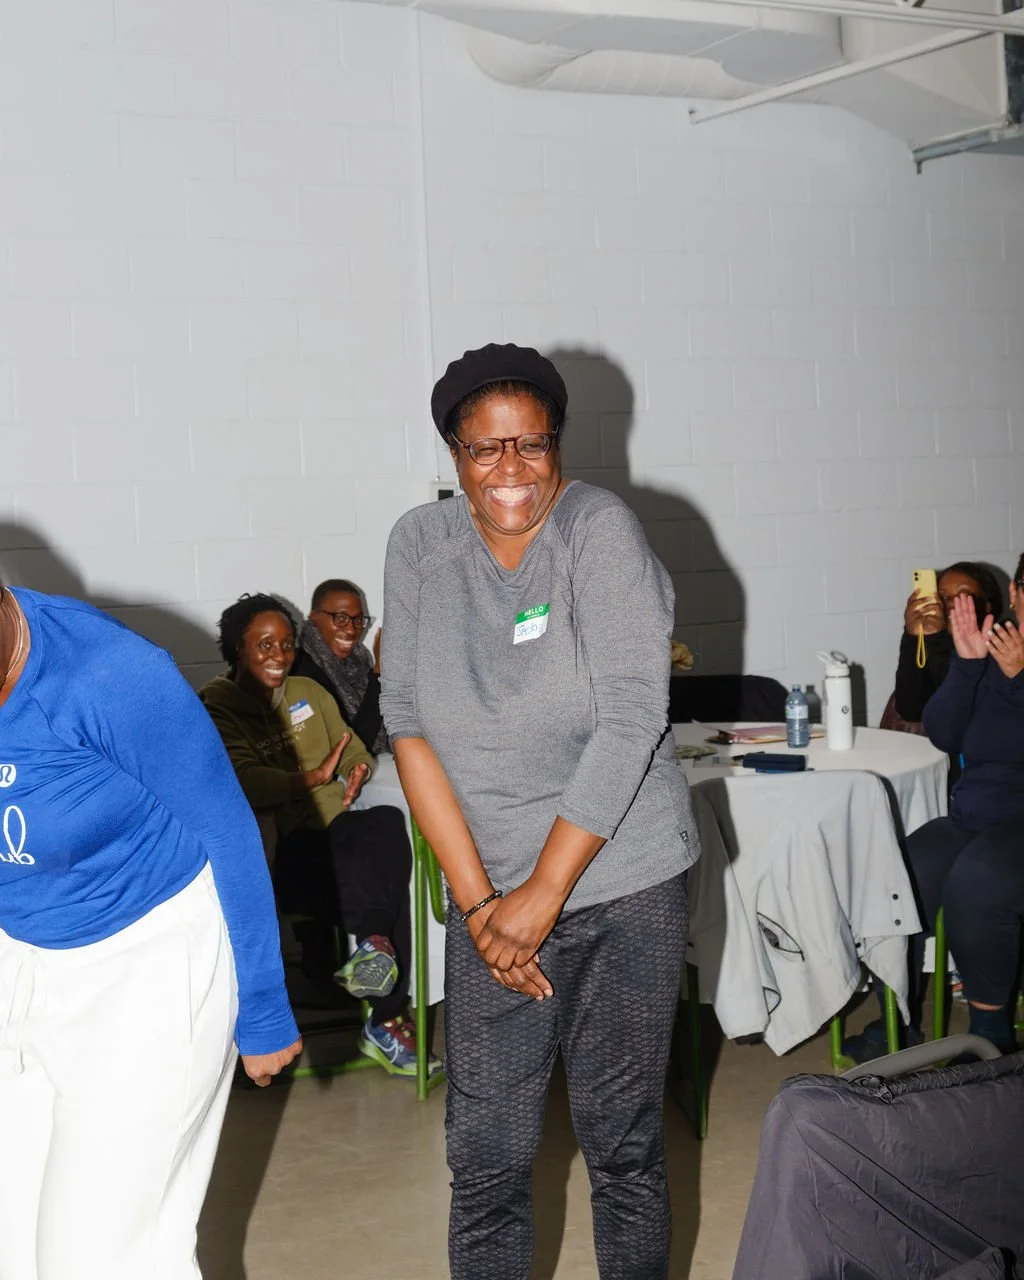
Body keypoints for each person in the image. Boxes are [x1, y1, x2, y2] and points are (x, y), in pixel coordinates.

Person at [381, 343, 697, 1280]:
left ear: (557, 445)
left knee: (623, 1145)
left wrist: (543, 893)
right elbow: (405, 723)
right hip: (494, 907)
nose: (511, 469)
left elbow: (637, 713)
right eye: (486, 449)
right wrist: (483, 906)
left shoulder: (598, 531)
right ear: (453, 455)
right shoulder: (420, 548)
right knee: (485, 1158)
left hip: (623, 878)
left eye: (532, 444)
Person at [0, 584, 301, 1280]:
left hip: (150, 962)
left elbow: (229, 830)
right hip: (23, 956)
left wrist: (262, 1007)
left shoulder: (110, 672)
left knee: (100, 1258)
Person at [200, 594, 437, 1078]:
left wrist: (354, 772)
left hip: (338, 834)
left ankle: (374, 949)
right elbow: (243, 780)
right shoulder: (215, 706)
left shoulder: (308, 690)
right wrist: (310, 779)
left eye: (286, 644)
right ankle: (387, 1018)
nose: (278, 655)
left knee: (387, 824)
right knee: (377, 878)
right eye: (264, 644)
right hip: (280, 852)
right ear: (237, 649)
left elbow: (350, 749)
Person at [850, 564, 1024, 1062]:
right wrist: (968, 667)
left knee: (978, 880)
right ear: (1015, 592)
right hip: (972, 816)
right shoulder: (987, 650)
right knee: (898, 873)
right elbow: (944, 734)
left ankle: (989, 1044)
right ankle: (897, 1021)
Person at [881, 562, 1002, 733]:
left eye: (964, 596)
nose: (951, 605)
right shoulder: (933, 642)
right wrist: (912, 635)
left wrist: (936, 638)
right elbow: (911, 709)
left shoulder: (1003, 646)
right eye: (944, 597)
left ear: (988, 605)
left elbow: (964, 706)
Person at [292, 578, 388, 755]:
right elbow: (352, 746)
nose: (351, 630)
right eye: (341, 618)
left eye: (358, 620)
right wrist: (379, 673)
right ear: (314, 617)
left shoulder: (358, 661)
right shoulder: (301, 672)